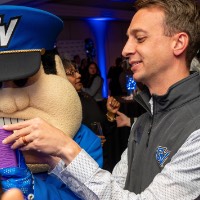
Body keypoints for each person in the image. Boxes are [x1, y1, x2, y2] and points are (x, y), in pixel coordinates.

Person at [2, 0, 200, 199]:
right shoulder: (143, 121)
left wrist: (66, 147)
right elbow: (113, 190)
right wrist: (54, 160)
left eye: (139, 38)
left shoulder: (196, 128)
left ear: (178, 43)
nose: (125, 50)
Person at [0, 5, 103, 200]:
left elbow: (88, 196)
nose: (7, 105)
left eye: (22, 81)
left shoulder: (83, 144)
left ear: (57, 71)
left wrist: (31, 189)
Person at [62, 59, 106, 146]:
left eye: (76, 71)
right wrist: (90, 141)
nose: (79, 75)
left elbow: (100, 123)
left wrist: (110, 114)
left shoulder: (85, 96)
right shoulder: (63, 104)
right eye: (71, 73)